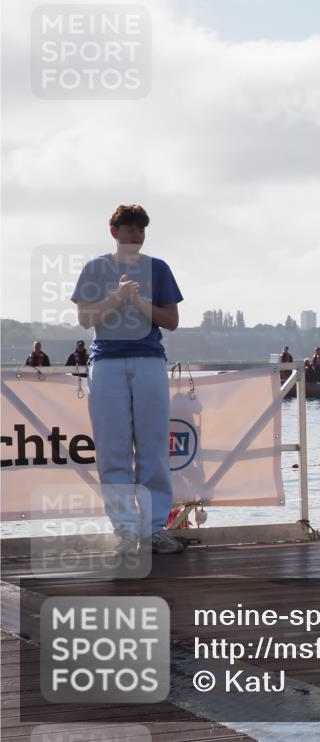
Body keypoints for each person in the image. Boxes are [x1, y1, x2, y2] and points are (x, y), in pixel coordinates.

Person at [71, 204, 185, 555]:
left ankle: (154, 531)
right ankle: (125, 532)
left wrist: (138, 303)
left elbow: (171, 320)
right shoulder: (95, 268)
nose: (136, 233)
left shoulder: (158, 268)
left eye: (141, 228)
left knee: (152, 448)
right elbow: (86, 318)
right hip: (106, 360)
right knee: (113, 450)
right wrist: (117, 297)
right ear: (113, 231)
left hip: (149, 359)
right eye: (129, 227)